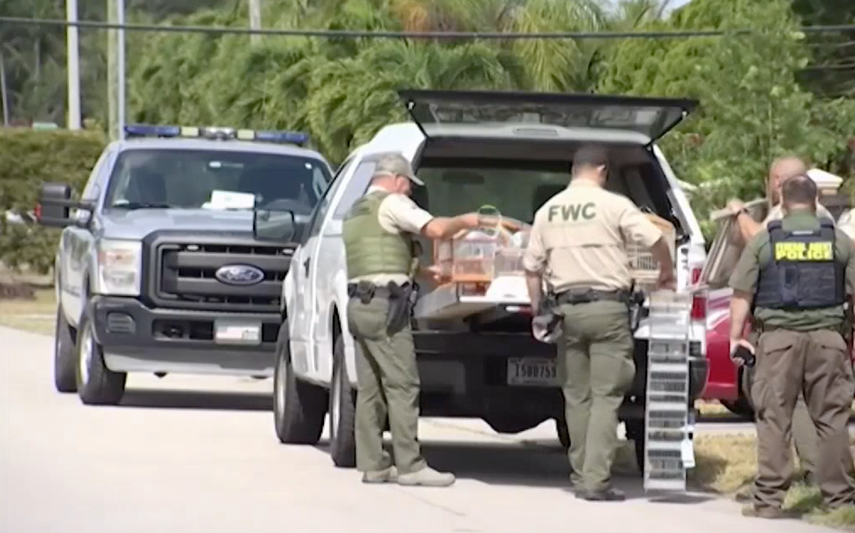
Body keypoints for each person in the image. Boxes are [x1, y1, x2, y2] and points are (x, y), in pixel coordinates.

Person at [522, 144, 676, 501]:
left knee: (576, 397)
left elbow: (531, 268)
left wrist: (538, 310)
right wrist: (665, 273)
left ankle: (581, 475)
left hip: (566, 312)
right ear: (603, 171)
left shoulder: (549, 211)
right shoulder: (614, 205)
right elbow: (654, 238)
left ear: (574, 170)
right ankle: (596, 480)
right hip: (608, 310)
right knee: (606, 396)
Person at [342, 153, 483, 487]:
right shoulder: (392, 202)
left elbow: (379, 255)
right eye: (407, 186)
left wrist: (421, 271)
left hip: (360, 306)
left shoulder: (357, 209)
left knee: (371, 388)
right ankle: (410, 466)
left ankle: (373, 464)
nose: (408, 192)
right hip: (385, 309)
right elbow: (435, 228)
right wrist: (469, 219)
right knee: (403, 384)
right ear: (398, 180)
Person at [728, 174, 855, 518]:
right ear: (816, 201)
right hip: (828, 340)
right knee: (831, 418)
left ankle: (768, 502)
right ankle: (840, 500)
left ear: (782, 201)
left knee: (774, 418)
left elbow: (742, 293)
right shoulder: (840, 242)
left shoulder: (765, 242)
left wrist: (736, 336)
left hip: (777, 341)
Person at [725, 156, 831, 485]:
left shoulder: (792, 220)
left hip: (782, 328)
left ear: (777, 183)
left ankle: (779, 486)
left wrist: (739, 214)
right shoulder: (824, 224)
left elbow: (758, 243)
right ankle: (826, 481)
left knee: (778, 403)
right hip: (820, 328)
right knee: (816, 407)